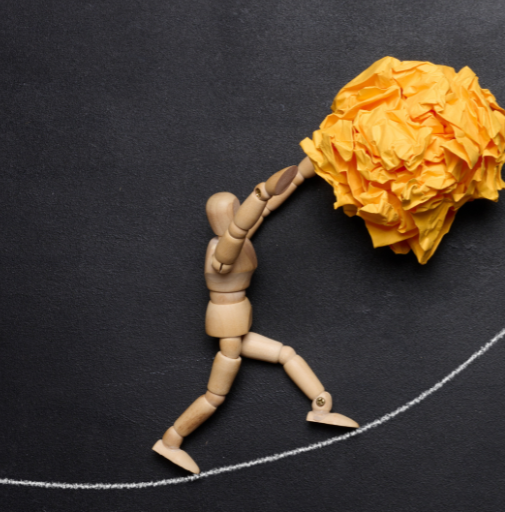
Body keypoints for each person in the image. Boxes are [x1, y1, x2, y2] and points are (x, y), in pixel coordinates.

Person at [153, 160, 357, 474]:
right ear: (226, 218)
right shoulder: (223, 252)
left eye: (241, 207)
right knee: (214, 396)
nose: (240, 214)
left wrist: (306, 167)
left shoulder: (239, 238)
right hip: (229, 331)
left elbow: (267, 207)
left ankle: (320, 406)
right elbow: (246, 219)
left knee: (286, 354)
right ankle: (170, 441)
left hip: (240, 326)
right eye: (236, 209)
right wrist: (261, 193)